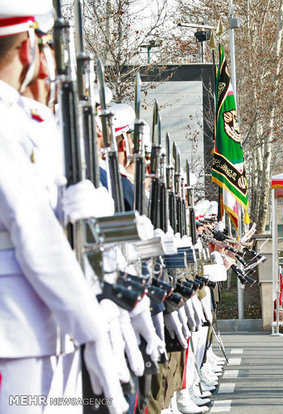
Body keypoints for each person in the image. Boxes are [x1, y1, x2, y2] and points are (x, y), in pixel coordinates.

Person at [0, 3, 127, 413]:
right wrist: (90, 327)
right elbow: (34, 233)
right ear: (29, 50)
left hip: (45, 320)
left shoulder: (23, 119)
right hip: (16, 326)